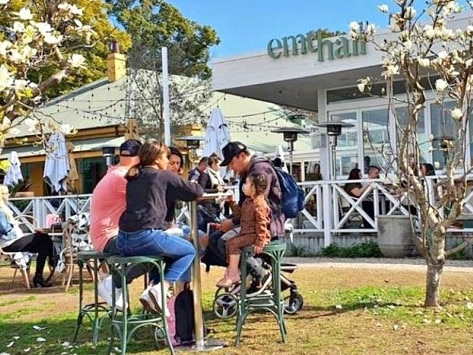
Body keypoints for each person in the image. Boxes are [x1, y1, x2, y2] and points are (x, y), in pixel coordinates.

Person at [117, 139, 203, 315]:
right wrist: (194, 180)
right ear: (157, 159)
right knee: (189, 250)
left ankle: (151, 291)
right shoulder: (163, 175)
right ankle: (161, 288)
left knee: (166, 254)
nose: (167, 161)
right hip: (145, 237)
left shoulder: (134, 175)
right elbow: (196, 192)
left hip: (122, 239)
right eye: (165, 157)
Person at [204, 141, 284, 286]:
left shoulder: (259, 170)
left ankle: (257, 273)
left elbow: (258, 207)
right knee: (215, 239)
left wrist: (232, 223)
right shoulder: (251, 170)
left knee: (223, 241)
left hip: (265, 225)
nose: (231, 167)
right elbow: (246, 207)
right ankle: (244, 274)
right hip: (251, 222)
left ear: (241, 156)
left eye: (232, 162)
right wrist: (232, 213)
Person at [90, 139, 149, 309]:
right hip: (110, 237)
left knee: (160, 245)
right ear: (140, 157)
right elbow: (147, 201)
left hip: (106, 236)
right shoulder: (122, 177)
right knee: (159, 247)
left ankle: (153, 290)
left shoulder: (114, 172)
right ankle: (115, 283)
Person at [216, 173, 271, 287]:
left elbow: (262, 224)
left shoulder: (259, 204)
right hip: (246, 232)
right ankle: (234, 270)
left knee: (234, 244)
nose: (244, 186)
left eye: (247, 183)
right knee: (229, 242)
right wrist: (232, 202)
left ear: (254, 187)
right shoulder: (247, 201)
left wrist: (260, 241)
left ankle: (234, 273)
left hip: (254, 234)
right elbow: (240, 215)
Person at [0, 185, 54, 287]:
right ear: (1, 195)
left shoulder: (4, 208)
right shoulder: (0, 210)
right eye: (7, 193)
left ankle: (41, 274)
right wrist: (13, 224)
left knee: (44, 241)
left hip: (14, 240)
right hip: (10, 243)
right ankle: (51, 264)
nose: (8, 195)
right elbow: (2, 228)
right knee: (43, 238)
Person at [197, 153, 226, 231]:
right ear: (213, 164)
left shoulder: (217, 175)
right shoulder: (205, 174)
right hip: (207, 205)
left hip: (216, 204)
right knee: (209, 227)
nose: (220, 167)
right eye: (219, 165)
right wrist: (216, 190)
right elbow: (201, 189)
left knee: (215, 226)